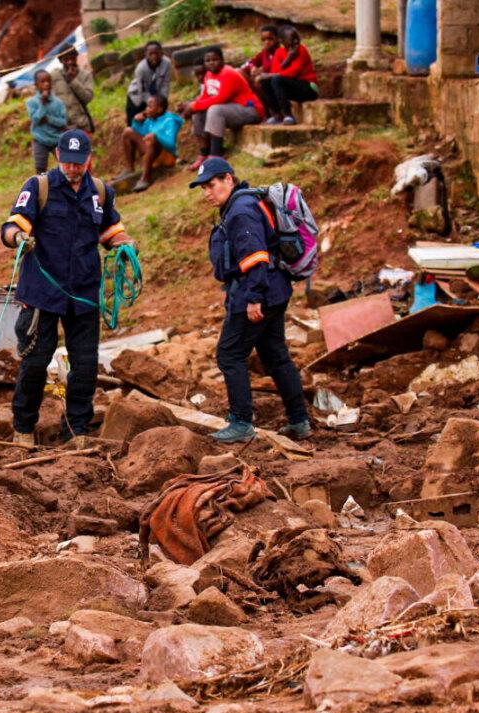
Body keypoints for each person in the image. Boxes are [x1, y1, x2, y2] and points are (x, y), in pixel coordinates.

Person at [0, 130, 135, 448]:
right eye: (68, 162)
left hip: (84, 293)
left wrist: (124, 244)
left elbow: (110, 230)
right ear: (59, 156)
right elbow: (11, 226)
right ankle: (23, 428)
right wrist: (19, 239)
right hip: (42, 292)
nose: (73, 169)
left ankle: (77, 429)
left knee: (85, 364)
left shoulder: (101, 192)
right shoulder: (39, 187)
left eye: (79, 163)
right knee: (35, 362)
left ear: (89, 160)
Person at [190, 157, 310, 443]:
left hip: (256, 292)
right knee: (275, 355)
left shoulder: (240, 211)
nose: (208, 192)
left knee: (229, 354)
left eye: (212, 184)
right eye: (203, 187)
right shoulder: (242, 204)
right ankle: (299, 419)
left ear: (229, 179)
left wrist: (254, 298)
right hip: (274, 289)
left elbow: (256, 256)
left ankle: (241, 422)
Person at [179, 47, 264, 170]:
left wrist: (193, 105)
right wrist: (192, 106)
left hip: (250, 110)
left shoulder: (228, 73)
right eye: (207, 60)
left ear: (222, 60)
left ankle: (216, 154)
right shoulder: (209, 75)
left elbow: (221, 98)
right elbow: (205, 96)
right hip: (231, 111)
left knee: (215, 109)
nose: (211, 63)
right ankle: (203, 154)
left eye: (215, 59)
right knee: (198, 113)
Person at [122, 94, 183, 192]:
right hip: (151, 153)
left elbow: (171, 144)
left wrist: (156, 136)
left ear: (159, 109)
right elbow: (142, 134)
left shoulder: (170, 120)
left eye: (150, 107)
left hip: (166, 156)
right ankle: (129, 168)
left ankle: (145, 178)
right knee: (128, 131)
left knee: (152, 138)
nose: (146, 109)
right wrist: (136, 122)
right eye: (147, 106)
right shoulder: (149, 120)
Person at [258, 26, 318, 125]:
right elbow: (275, 71)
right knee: (265, 81)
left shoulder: (301, 50)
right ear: (281, 41)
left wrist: (272, 74)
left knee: (276, 79)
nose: (295, 42)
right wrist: (288, 59)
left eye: (296, 38)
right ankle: (277, 115)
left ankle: (288, 115)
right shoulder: (279, 52)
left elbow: (294, 72)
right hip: (291, 87)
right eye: (291, 39)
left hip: (308, 88)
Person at [26, 69, 67, 173]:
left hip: (56, 139)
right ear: (36, 84)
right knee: (40, 167)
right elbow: (35, 120)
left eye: (48, 81)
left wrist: (49, 119)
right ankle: (42, 187)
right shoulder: (31, 102)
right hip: (40, 139)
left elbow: (63, 123)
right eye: (42, 82)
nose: (46, 84)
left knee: (65, 165)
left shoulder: (58, 103)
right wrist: (42, 105)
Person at [126, 41, 172, 126]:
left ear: (162, 53)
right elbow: (142, 92)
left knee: (155, 121)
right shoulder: (141, 69)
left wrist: (162, 102)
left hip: (155, 96)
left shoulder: (167, 63)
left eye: (156, 53)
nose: (154, 56)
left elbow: (165, 84)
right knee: (135, 124)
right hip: (137, 97)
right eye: (150, 54)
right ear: (145, 55)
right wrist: (153, 104)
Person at [50, 47, 95, 134]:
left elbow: (88, 98)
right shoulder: (54, 75)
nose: (70, 62)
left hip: (81, 124)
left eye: (72, 58)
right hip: (62, 127)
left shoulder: (85, 75)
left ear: (76, 57)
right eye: (66, 59)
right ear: (60, 61)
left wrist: (73, 80)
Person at [239, 25, 280, 103]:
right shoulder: (265, 53)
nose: (266, 42)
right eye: (263, 40)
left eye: (270, 39)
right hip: (263, 81)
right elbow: (249, 63)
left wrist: (263, 74)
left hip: (275, 84)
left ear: (277, 39)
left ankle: (268, 109)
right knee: (239, 72)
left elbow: (281, 73)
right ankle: (250, 102)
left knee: (259, 81)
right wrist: (252, 67)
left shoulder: (281, 52)